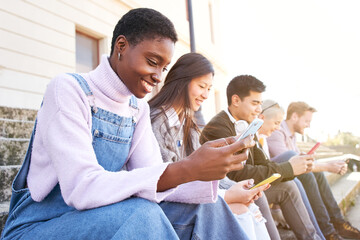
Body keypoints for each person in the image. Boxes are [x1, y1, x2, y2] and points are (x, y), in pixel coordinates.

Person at [1, 8, 255, 240]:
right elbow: (81, 187)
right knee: (142, 214)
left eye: (164, 68)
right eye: (153, 62)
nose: (157, 77)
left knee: (208, 208)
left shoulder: (137, 109)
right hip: (41, 225)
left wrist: (204, 171)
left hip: (103, 217)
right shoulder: (68, 89)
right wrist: (188, 168)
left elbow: (154, 178)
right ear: (121, 46)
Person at [149, 52, 270, 240]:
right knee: (239, 209)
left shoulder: (188, 126)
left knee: (249, 206)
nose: (206, 95)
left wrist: (237, 186)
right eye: (201, 86)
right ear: (182, 81)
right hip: (167, 207)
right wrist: (228, 194)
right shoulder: (156, 121)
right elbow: (167, 183)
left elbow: (206, 171)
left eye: (209, 88)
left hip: (190, 199)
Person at [200, 75, 322, 240]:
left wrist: (289, 169)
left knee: (289, 186)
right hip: (226, 191)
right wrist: (289, 167)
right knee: (270, 191)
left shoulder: (248, 124)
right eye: (255, 103)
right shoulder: (218, 128)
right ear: (236, 100)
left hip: (247, 185)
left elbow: (262, 162)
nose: (259, 109)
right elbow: (236, 175)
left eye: (260, 103)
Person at [267, 101, 360, 240]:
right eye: (306, 121)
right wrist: (328, 165)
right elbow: (289, 163)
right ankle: (327, 231)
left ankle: (337, 222)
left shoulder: (292, 136)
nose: (308, 125)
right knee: (309, 174)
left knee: (317, 173)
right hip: (278, 182)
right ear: (294, 117)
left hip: (288, 178)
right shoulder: (276, 132)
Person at [258, 100, 325, 240]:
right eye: (276, 123)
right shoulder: (262, 137)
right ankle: (321, 234)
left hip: (267, 181)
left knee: (296, 181)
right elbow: (272, 166)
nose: (278, 127)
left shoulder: (264, 138)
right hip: (256, 185)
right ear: (262, 118)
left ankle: (325, 231)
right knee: (292, 177)